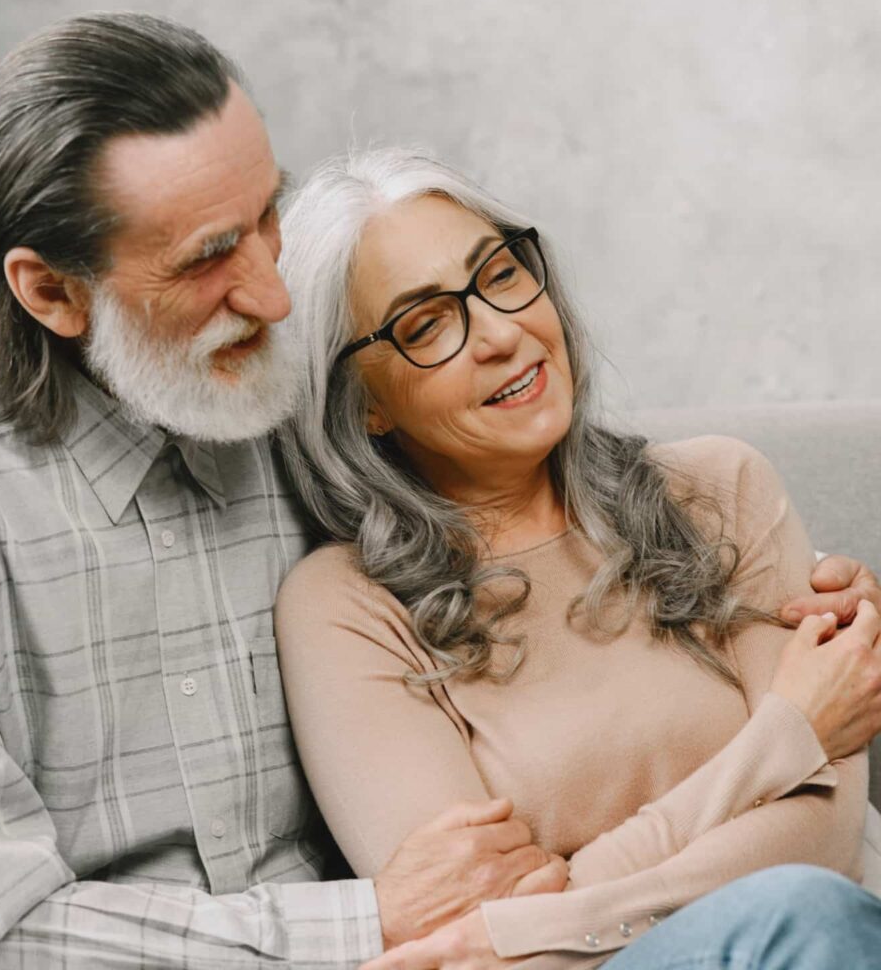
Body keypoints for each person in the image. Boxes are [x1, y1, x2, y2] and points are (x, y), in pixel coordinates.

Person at [0, 12, 875, 970]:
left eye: (267, 217)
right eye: (212, 256)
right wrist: (370, 920)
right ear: (50, 292)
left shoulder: (267, 410)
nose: (272, 293)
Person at [272, 146, 881, 969]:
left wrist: (553, 911)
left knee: (805, 908)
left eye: (500, 275)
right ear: (366, 405)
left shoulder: (719, 488)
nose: (498, 332)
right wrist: (782, 740)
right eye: (426, 325)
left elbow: (825, 835)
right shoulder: (346, 605)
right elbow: (463, 929)